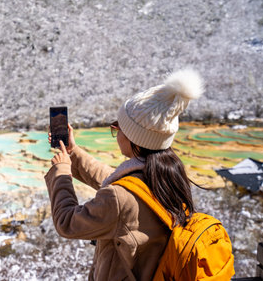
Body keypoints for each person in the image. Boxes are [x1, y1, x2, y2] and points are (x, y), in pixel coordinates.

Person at [44, 69, 204, 280]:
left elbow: (67, 222)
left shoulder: (120, 198)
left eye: (118, 127)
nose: (116, 132)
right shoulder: (167, 175)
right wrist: (73, 153)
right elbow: (116, 181)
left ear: (135, 139)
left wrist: (61, 173)